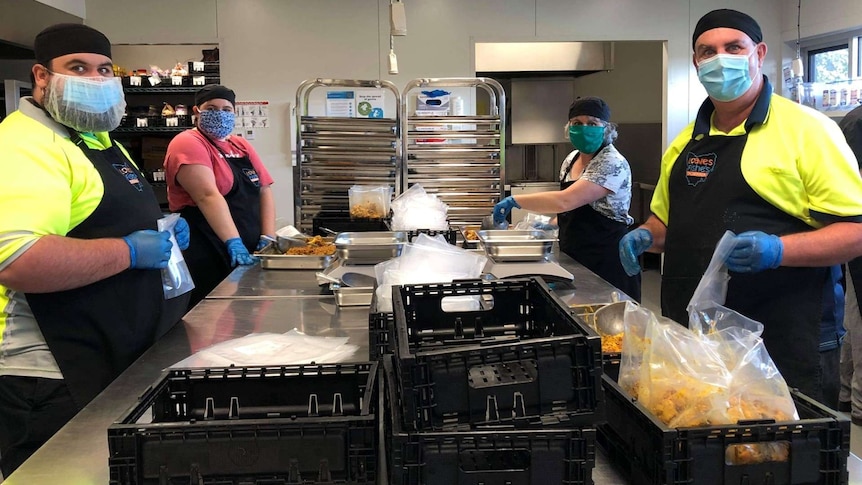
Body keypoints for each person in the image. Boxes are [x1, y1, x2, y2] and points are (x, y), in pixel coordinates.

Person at [618, 9, 862, 405]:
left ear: (759, 52)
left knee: (787, 454)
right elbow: (667, 222)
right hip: (697, 337)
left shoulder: (808, 131)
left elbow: (855, 232)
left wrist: (779, 250)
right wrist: (646, 235)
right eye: (707, 51)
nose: (719, 59)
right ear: (696, 62)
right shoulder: (686, 142)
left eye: (733, 47)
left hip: (783, 336)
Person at [0, 23, 191, 475]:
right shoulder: (23, 144)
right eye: (78, 68)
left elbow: (95, 219)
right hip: (49, 373)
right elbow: (16, 259)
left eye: (105, 70)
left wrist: (161, 232)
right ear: (41, 77)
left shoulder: (97, 141)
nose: (96, 80)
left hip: (106, 351)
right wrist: (128, 251)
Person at [492, 97, 640, 301]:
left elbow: (566, 201)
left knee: (608, 323)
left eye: (592, 123)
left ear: (606, 128)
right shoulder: (571, 160)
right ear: (568, 127)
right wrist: (545, 226)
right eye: (577, 123)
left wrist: (515, 201)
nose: (584, 128)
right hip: (575, 255)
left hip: (607, 258)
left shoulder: (612, 162)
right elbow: (573, 211)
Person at [164, 84, 275, 310]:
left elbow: (264, 189)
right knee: (212, 316)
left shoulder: (240, 144)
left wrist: (268, 237)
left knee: (245, 313)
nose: (221, 114)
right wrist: (233, 242)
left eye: (227, 109)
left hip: (248, 246)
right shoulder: (187, 142)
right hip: (208, 246)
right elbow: (207, 195)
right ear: (197, 111)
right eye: (212, 108)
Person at [839, 103, 862, 422]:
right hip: (854, 231)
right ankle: (858, 403)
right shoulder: (856, 125)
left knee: (853, 316)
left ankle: (846, 391)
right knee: (858, 317)